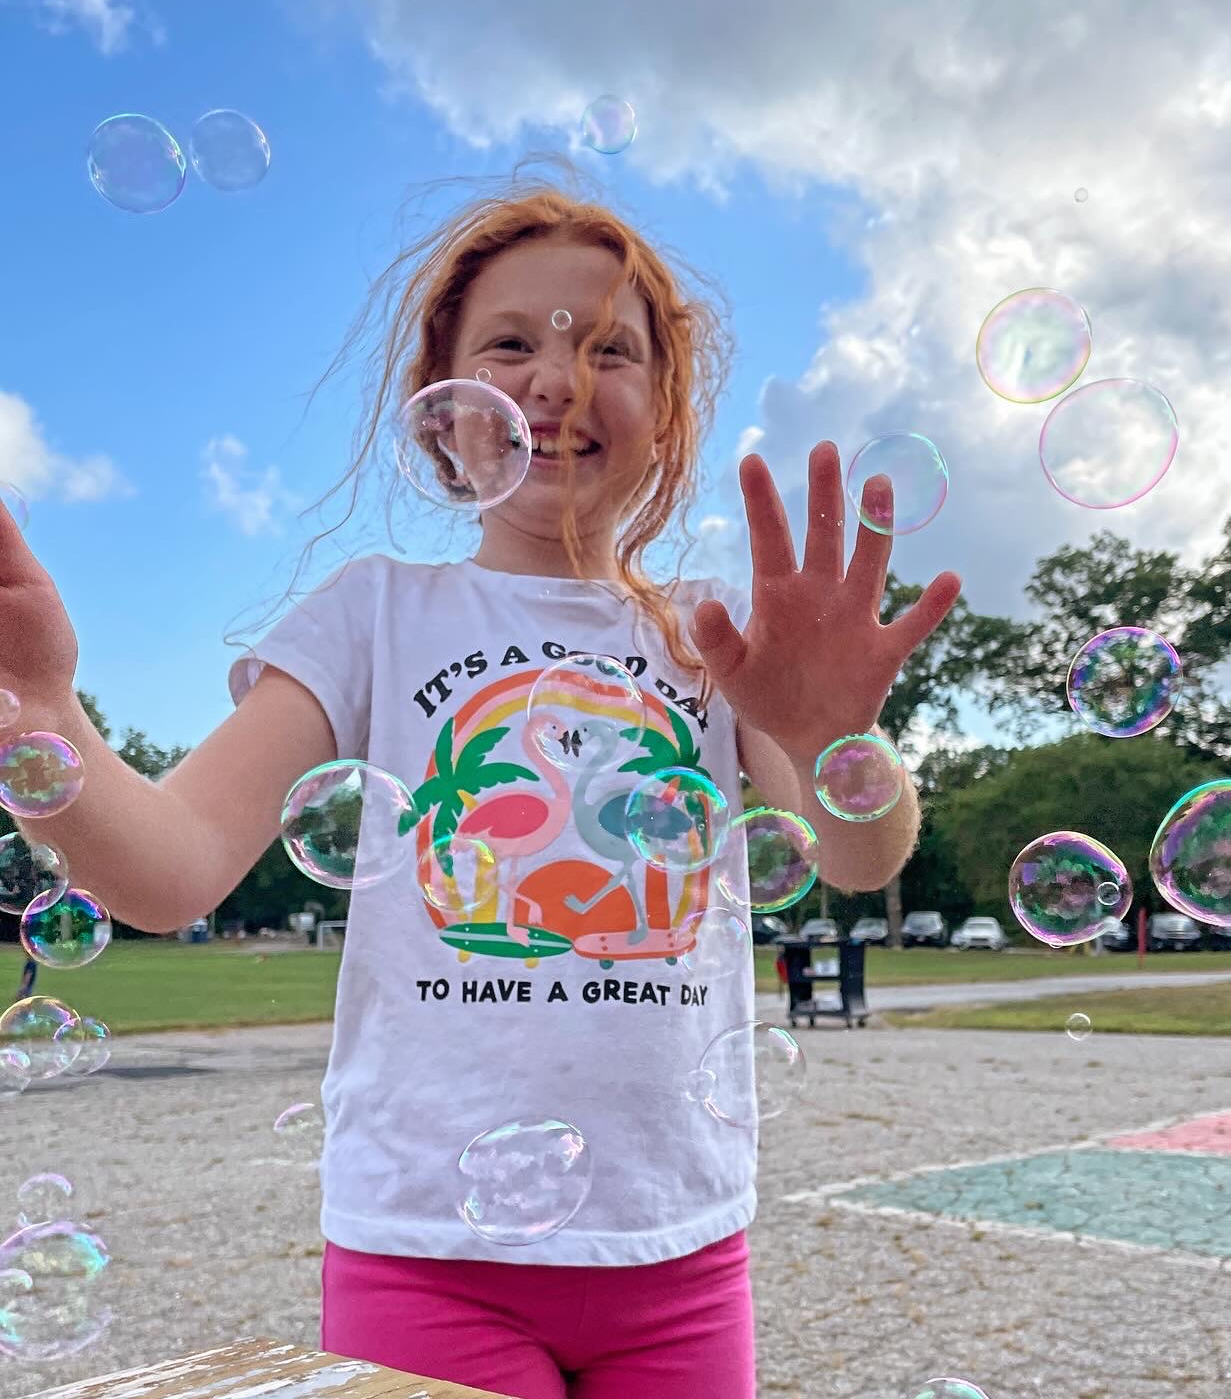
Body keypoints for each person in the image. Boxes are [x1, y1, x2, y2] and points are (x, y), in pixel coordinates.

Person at [0, 180, 960, 1399]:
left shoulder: (719, 641)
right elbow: (171, 863)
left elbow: (859, 857)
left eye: (610, 348)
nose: (557, 379)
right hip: (424, 1255)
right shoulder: (373, 614)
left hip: (679, 1251)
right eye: (512, 343)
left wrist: (838, 742)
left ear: (666, 415)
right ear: (438, 415)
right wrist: (41, 722)